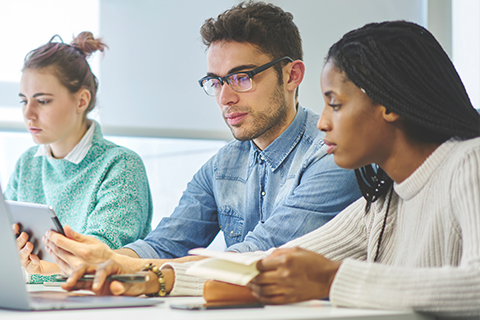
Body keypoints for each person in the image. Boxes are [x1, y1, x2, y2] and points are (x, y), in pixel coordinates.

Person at [62, 20, 480, 318]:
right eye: (216, 82)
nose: (323, 120)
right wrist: (150, 278)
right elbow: (271, 262)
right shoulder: (382, 198)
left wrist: (332, 279)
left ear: (389, 104)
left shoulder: (468, 163)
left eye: (335, 103)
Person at [43, 2, 360, 278]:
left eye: (241, 78)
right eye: (215, 81)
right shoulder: (223, 165)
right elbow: (164, 244)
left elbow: (258, 255)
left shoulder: (335, 155)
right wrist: (98, 259)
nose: (225, 98)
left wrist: (119, 265)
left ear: (291, 75)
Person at [8, 32, 153, 283]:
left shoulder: (121, 166)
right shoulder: (27, 163)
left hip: (98, 303)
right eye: (24, 101)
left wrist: (35, 269)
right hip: (39, 300)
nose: (28, 114)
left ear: (82, 100)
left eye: (42, 101)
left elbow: (100, 260)